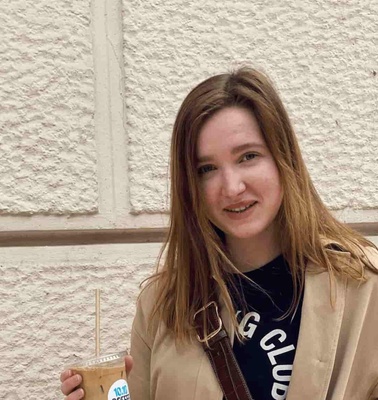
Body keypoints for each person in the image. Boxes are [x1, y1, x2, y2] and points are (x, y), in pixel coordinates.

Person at [60, 67, 378, 400]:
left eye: (248, 156)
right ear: (190, 186)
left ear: (284, 159)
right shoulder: (163, 305)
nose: (232, 187)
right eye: (207, 169)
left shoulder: (362, 285)